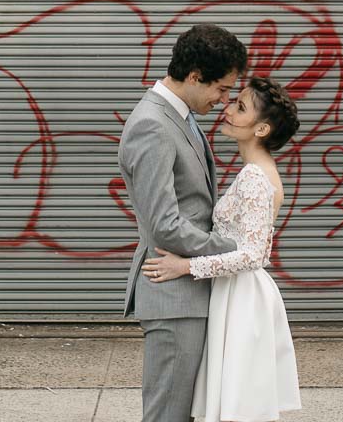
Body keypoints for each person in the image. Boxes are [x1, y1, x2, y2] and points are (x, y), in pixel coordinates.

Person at [142, 76, 303, 422]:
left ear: (261, 129)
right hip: (231, 291)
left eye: (240, 107)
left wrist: (185, 267)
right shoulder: (253, 172)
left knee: (236, 402)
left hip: (242, 297)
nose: (227, 109)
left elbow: (254, 254)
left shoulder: (257, 178)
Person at [121, 23, 250, 422]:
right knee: (168, 415)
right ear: (195, 76)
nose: (224, 99)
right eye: (222, 89)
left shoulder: (181, 114)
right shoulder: (153, 125)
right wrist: (236, 250)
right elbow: (165, 226)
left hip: (191, 290)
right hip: (174, 298)